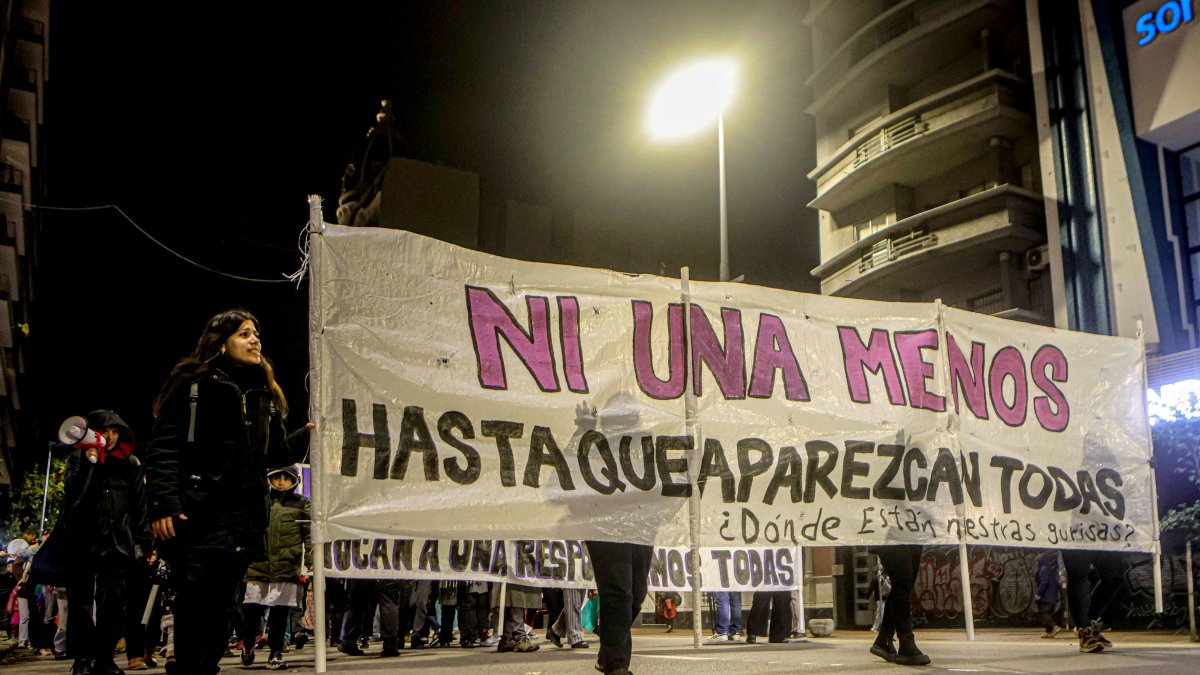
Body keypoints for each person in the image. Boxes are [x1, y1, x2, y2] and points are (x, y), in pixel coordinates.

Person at [143, 309, 310, 675]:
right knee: (194, 606)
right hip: (199, 515)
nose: (255, 341)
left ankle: (204, 665)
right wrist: (164, 504)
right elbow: (163, 447)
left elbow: (278, 455)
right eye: (245, 334)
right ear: (221, 344)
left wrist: (311, 431)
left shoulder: (264, 392)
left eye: (257, 334)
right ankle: (191, 666)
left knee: (222, 610)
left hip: (244, 520)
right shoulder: (193, 385)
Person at [51, 409, 151, 675]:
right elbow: (72, 495)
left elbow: (140, 507)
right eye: (105, 431)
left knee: (112, 605)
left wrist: (143, 543)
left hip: (117, 543)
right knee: (81, 604)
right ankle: (82, 658)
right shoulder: (77, 460)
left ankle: (105, 660)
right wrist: (89, 463)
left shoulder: (130, 464)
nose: (110, 437)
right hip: (82, 542)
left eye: (115, 431)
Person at [238, 465, 312, 670]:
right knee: (251, 610)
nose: (281, 482)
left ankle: (275, 653)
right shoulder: (260, 500)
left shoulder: (302, 503)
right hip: (258, 563)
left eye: (286, 478)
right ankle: (248, 643)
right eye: (276, 477)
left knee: (280, 614)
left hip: (286, 566)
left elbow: (309, 533)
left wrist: (311, 558)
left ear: (294, 480)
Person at [869, 544, 929, 666]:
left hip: (912, 535)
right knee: (902, 583)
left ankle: (884, 640)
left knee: (905, 585)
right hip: (891, 536)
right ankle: (906, 642)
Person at [1062, 550, 1123, 653]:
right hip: (1076, 538)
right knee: (1078, 575)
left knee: (1115, 575)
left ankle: (1090, 623)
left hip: (1104, 538)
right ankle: (1083, 629)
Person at [1033, 551, 1064, 639]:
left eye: (1037, 561)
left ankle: (1054, 627)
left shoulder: (1044, 569)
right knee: (1047, 613)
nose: (1036, 563)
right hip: (1051, 596)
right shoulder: (1049, 568)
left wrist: (1038, 594)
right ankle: (1049, 632)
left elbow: (1044, 583)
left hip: (1046, 596)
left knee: (1043, 613)